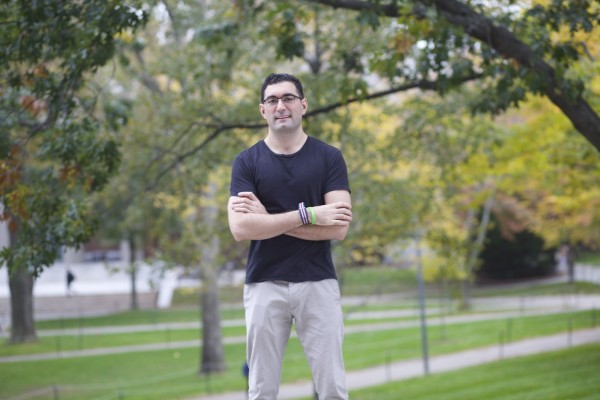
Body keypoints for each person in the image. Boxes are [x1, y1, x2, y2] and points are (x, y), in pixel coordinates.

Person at [228, 73, 353, 400]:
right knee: (261, 390)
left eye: (288, 98)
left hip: (318, 282)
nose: (280, 106)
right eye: (272, 100)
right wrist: (309, 214)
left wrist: (267, 220)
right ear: (262, 110)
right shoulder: (246, 162)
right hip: (264, 283)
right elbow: (241, 228)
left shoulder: (329, 157)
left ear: (303, 105)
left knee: (332, 389)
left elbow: (338, 227)